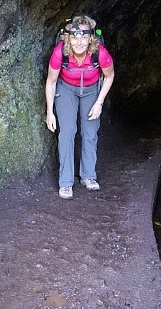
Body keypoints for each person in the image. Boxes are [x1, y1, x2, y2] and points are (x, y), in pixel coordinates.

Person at [45, 14, 115, 199]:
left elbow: (109, 76)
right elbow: (51, 82)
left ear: (91, 38)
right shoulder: (60, 53)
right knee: (67, 131)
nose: (79, 42)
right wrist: (49, 112)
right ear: (68, 37)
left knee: (90, 132)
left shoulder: (100, 53)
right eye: (75, 37)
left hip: (92, 91)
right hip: (66, 89)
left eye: (84, 37)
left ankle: (88, 176)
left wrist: (99, 102)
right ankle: (66, 182)